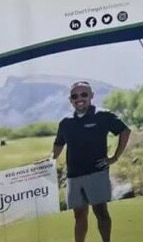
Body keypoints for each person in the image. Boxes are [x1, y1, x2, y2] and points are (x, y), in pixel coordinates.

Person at [52, 81, 131, 242]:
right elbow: (59, 144)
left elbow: (124, 131)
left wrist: (114, 158)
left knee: (101, 212)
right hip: (74, 176)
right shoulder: (65, 123)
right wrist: (47, 163)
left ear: (91, 96)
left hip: (97, 173)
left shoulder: (103, 115)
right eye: (75, 96)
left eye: (84, 94)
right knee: (79, 215)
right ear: (71, 100)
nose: (79, 99)